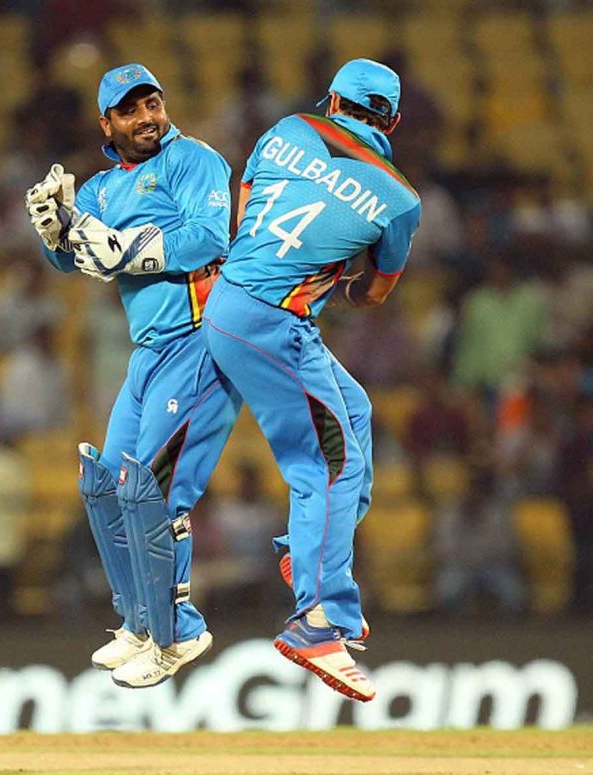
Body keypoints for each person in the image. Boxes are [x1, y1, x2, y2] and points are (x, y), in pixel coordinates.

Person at [204, 59, 422, 702]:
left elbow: (245, 218)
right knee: (330, 464)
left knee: (354, 413)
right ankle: (315, 622)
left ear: (333, 100)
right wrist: (338, 276)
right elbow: (374, 294)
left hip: (236, 305)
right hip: (273, 323)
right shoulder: (401, 199)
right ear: (395, 122)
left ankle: (310, 554)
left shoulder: (287, 130)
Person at [25, 64, 241, 688]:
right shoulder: (97, 188)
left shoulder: (193, 161)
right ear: (107, 123)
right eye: (131, 110)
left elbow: (207, 240)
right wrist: (54, 232)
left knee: (149, 489)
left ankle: (181, 630)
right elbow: (71, 260)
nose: (147, 117)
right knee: (103, 484)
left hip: (200, 340)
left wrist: (127, 249)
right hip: (147, 353)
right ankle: (140, 624)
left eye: (154, 103)